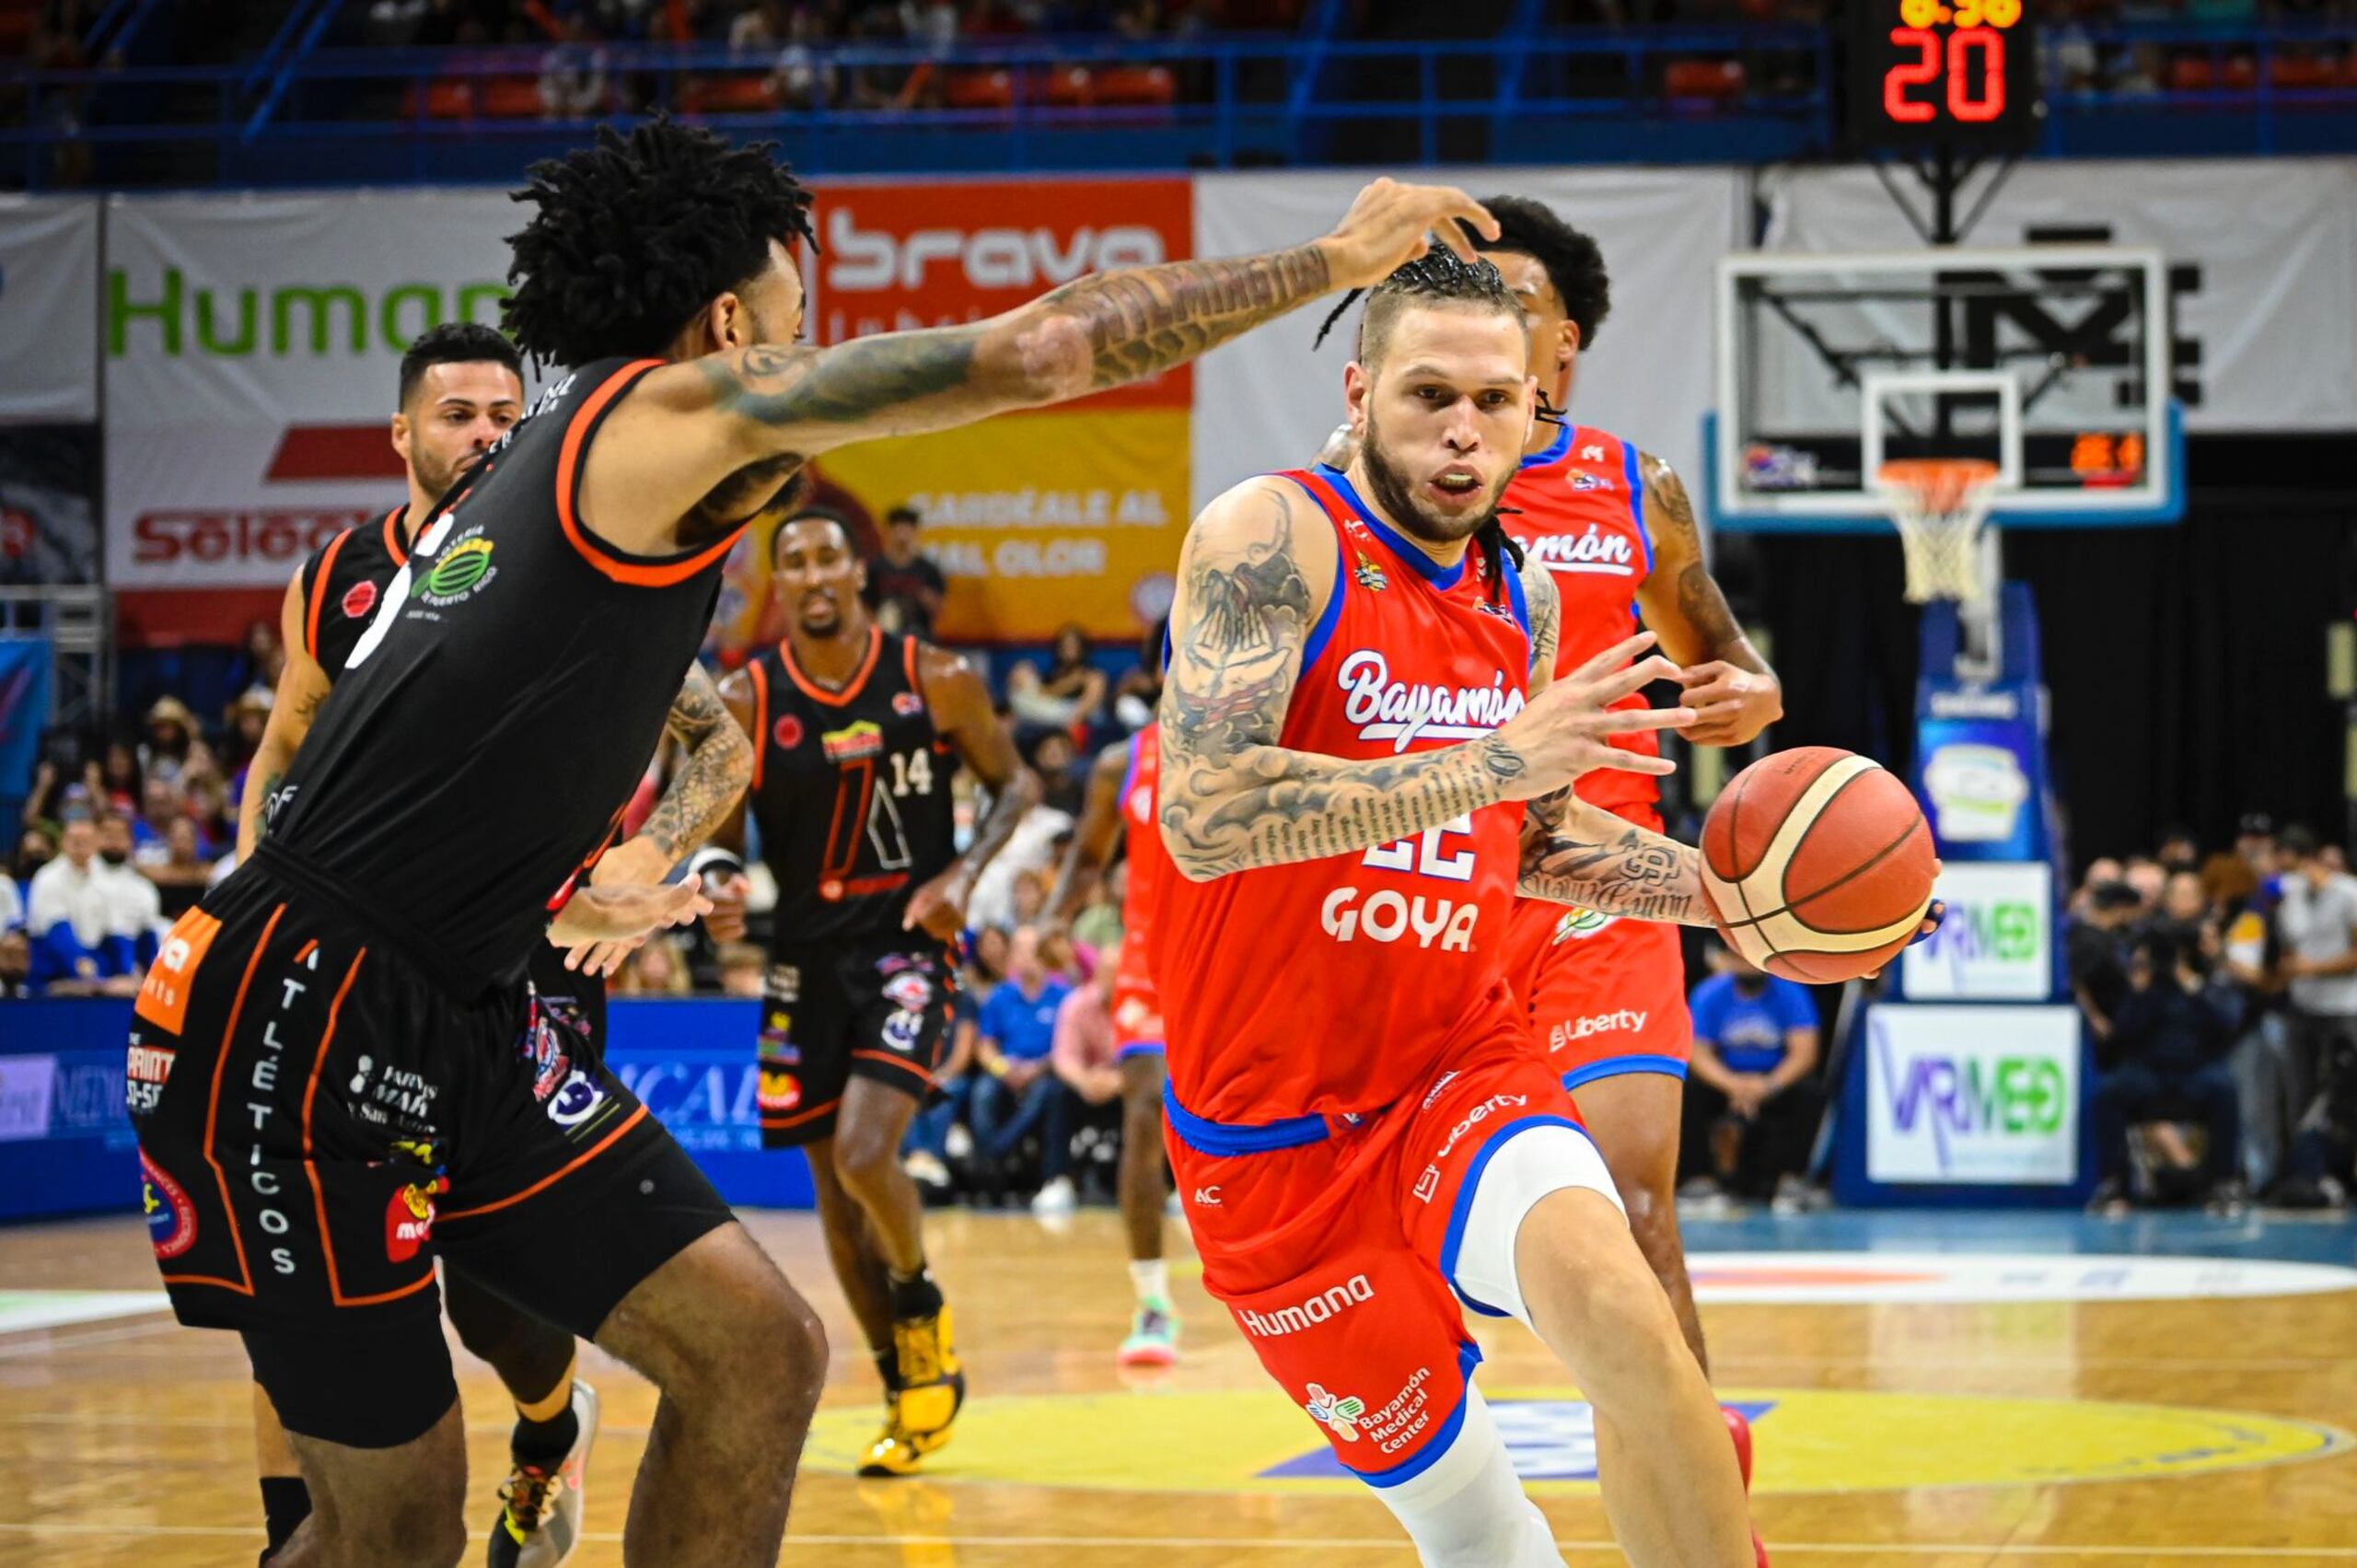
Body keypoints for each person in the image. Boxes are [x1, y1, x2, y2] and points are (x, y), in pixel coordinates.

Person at [127, 108, 1485, 1560]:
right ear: (730, 320)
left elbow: (566, 734)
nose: (816, 343)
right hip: (303, 1010)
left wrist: (619, 865)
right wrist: (1335, 257)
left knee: (757, 1355)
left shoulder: (594, 464)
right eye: (798, 314)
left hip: (464, 995)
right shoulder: (661, 418)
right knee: (386, 1535)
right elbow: (1044, 349)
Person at [1150, 248, 1763, 1567]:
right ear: (1362, 392)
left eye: (1499, 400)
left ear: (1541, 408)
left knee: (1631, 1318)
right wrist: (1492, 761)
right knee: (1485, 1533)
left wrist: (1733, 896)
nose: (1464, 430)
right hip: (1270, 1134)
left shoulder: (1523, 592)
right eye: (1430, 394)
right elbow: (1204, 816)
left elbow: (1528, 834)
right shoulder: (1271, 534)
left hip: (1454, 1059)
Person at [227, 320, 758, 1568]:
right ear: (402, 433)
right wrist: (244, 899)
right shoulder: (339, 579)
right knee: (301, 1273)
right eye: (457, 413)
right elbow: (285, 743)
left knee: (491, 1289)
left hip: (531, 961)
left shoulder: (560, 560)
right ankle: (293, 1534)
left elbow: (721, 740)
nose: (482, 435)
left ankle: (543, 1422)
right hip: (350, 960)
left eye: (501, 415)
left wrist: (644, 852)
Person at [1320, 196, 1784, 1425]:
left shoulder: (1640, 483)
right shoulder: (1372, 474)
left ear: (1561, 340)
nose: (1483, 325)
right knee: (1388, 1240)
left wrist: (1750, 695)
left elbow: (1723, 658)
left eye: (1512, 301)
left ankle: (1706, 1511)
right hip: (1427, 877)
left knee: (1636, 1207)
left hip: (1597, 878)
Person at [714, 508, 1040, 1478]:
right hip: (801, 958)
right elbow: (724, 831)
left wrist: (963, 874)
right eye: (793, 562)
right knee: (830, 1192)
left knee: (864, 1153)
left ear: (858, 571)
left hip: (906, 942)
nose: (812, 574)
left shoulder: (933, 677)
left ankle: (919, 1299)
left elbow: (1015, 786)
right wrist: (724, 879)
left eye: (827, 556)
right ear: (779, 584)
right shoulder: (745, 696)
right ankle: (906, 1388)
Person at [1049, 717, 1182, 1365]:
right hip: (1151, 965)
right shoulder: (1122, 761)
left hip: (1242, 958)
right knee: (1143, 1108)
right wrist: (1052, 918)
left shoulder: (1268, 731)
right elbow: (1089, 853)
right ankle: (1152, 1301)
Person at [2086, 929, 2245, 1214]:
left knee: (2224, 1090)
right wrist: (2138, 991)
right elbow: (2122, 1034)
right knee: (2108, 1094)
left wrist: (2194, 987)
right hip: (2149, 1074)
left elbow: (2223, 1028)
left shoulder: (2199, 994)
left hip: (2193, 1073)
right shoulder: (2143, 996)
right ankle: (2114, 1185)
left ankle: (2223, 1183)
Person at [1681, 947, 1823, 1205]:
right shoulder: (1708, 993)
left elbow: (1804, 1053)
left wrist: (1769, 1085)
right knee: (1688, 1089)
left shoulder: (1791, 991)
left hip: (1774, 1077)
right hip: (1725, 1077)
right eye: (1739, 957)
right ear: (1727, 960)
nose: (1747, 964)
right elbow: (1697, 1053)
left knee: (1810, 1092)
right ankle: (1699, 1180)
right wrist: (1732, 1084)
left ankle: (1792, 1180)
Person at [970, 924, 1074, 1205]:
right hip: (1006, 1071)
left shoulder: (1064, 996)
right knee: (982, 1093)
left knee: (1048, 1093)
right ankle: (988, 1172)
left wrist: (1037, 1068)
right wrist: (1003, 1068)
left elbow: (1067, 1046)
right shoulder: (999, 996)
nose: (1024, 956)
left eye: (1030, 949)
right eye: (1018, 950)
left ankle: (997, 1152)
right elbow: (985, 1047)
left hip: (1046, 1071)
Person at [2274, 824, 2357, 1131]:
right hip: (2302, 1006)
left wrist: (2313, 969)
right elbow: (2290, 945)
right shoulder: (2288, 892)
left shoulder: (2350, 892)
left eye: (2293, 863)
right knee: (2301, 1095)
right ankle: (2304, 1170)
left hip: (2345, 1009)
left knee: (2348, 1094)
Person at [27, 818, 139, 996]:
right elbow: (60, 937)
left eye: (86, 841)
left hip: (94, 962)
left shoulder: (105, 881)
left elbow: (116, 933)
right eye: (75, 841)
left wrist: (125, 973)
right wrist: (94, 979)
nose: (80, 847)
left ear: (97, 843)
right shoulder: (48, 879)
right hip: (53, 970)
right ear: (63, 842)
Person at [865, 503, 947, 638]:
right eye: (897, 528)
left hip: (919, 638)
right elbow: (864, 607)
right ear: (887, 531)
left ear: (915, 531)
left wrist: (925, 597)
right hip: (883, 639)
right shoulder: (874, 568)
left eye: (907, 528)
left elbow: (939, 610)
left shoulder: (928, 569)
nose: (902, 533)